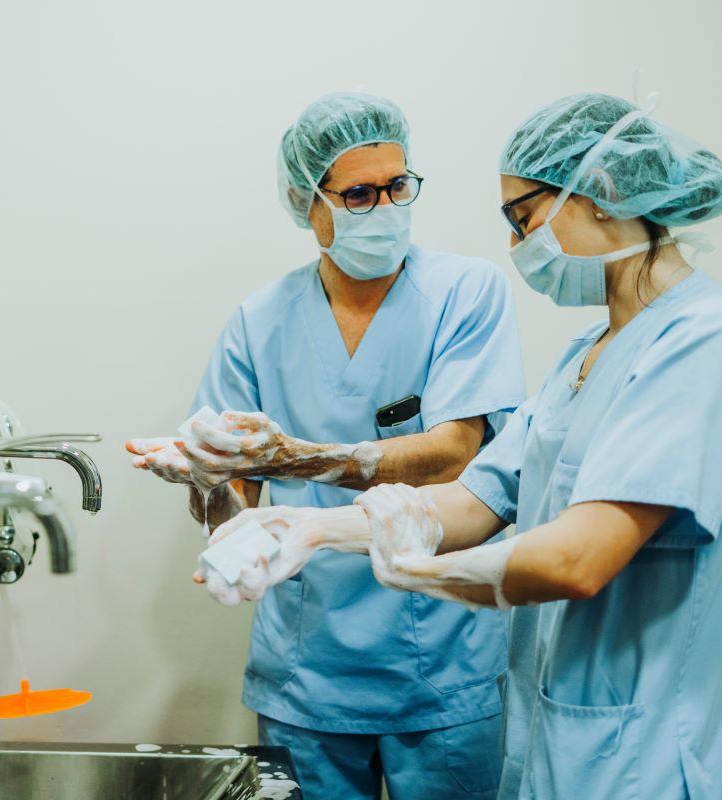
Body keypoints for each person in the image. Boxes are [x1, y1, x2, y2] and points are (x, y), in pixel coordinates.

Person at [205, 92, 722, 799]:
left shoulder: (708, 339)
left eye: (524, 218)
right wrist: (307, 527)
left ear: (599, 194)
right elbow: (481, 495)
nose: (517, 248)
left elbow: (578, 559)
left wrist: (413, 571)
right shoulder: (588, 352)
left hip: (664, 754)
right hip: (568, 740)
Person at [127, 92, 526, 799]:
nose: (386, 208)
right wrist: (204, 476)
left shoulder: (466, 293)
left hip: (439, 663)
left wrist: (295, 458)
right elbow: (232, 512)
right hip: (307, 677)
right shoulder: (259, 321)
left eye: (399, 186)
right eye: (360, 194)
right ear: (307, 202)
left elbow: (458, 451)